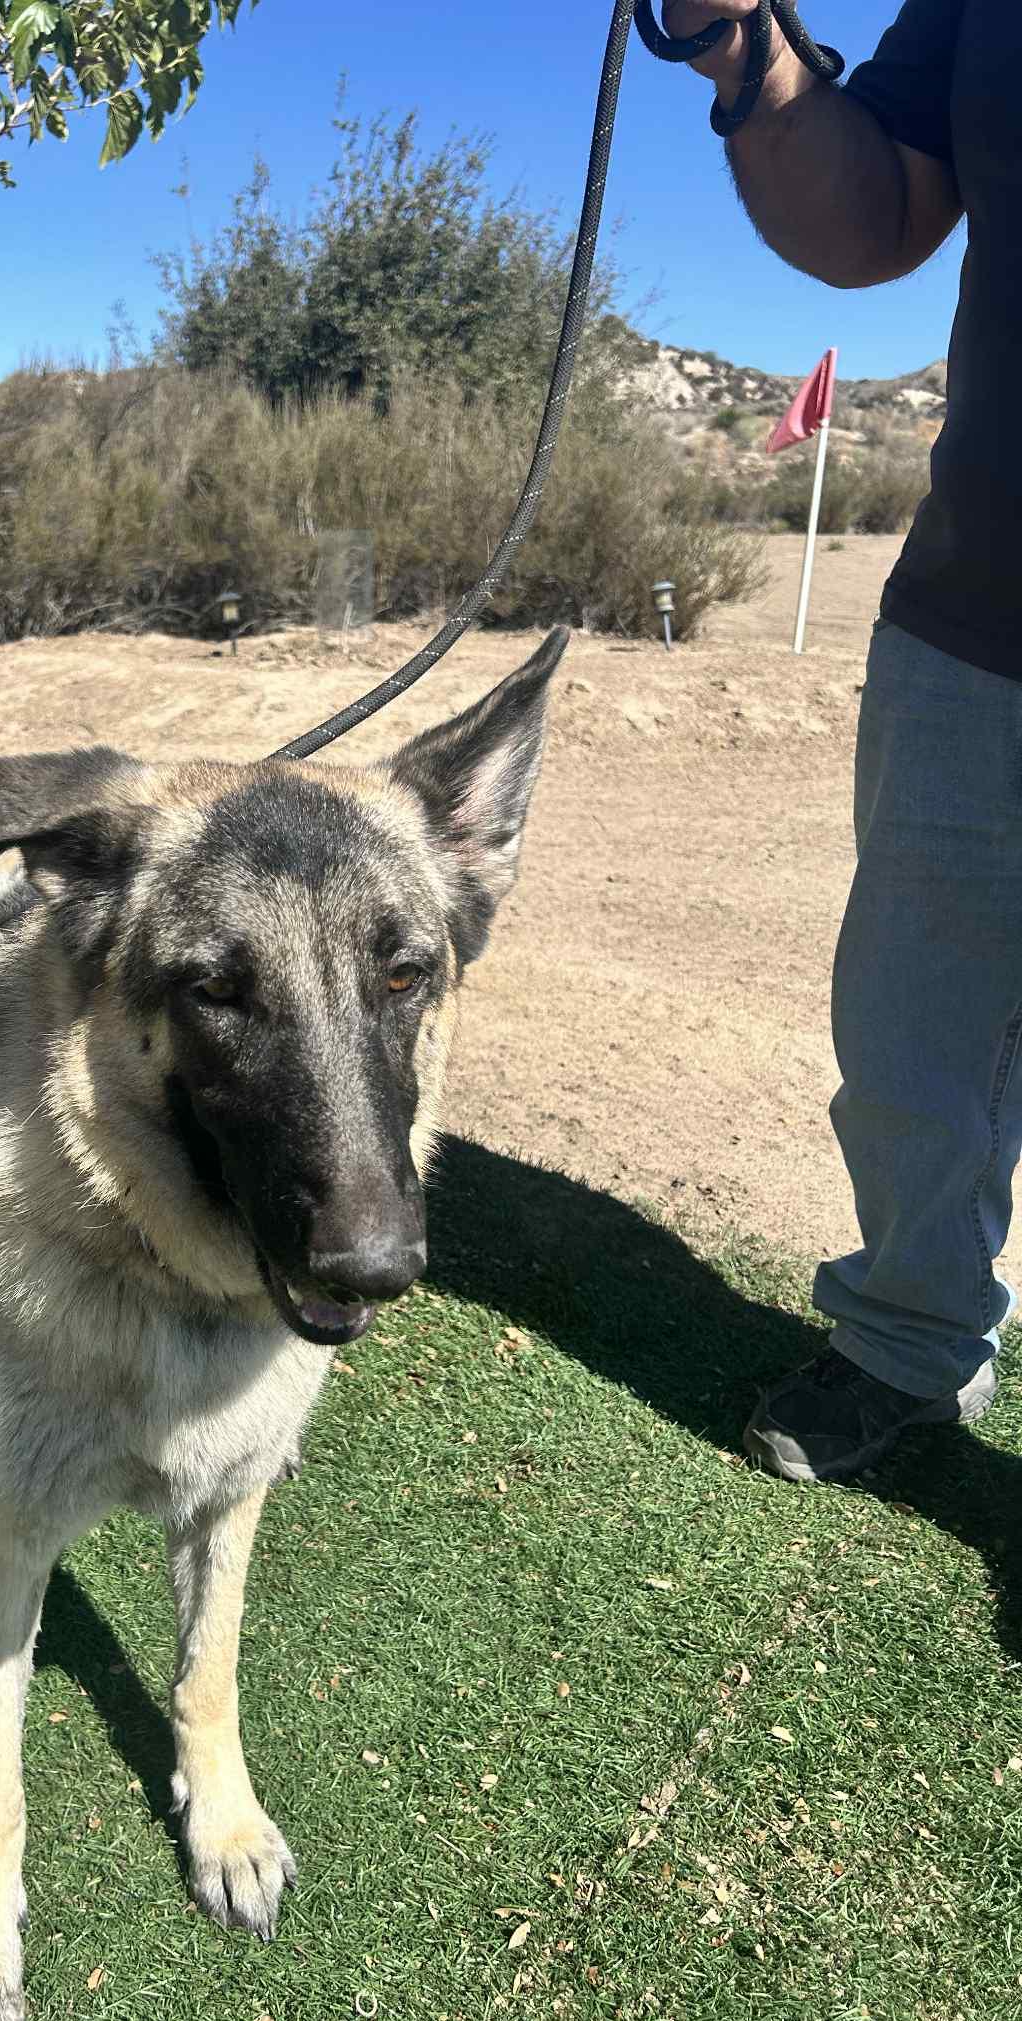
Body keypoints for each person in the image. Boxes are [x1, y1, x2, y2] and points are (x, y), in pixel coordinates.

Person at [661, 0, 1019, 1481]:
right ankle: (911, 1338)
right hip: (978, 614)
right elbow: (874, 217)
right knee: (915, 1037)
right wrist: (737, 36)